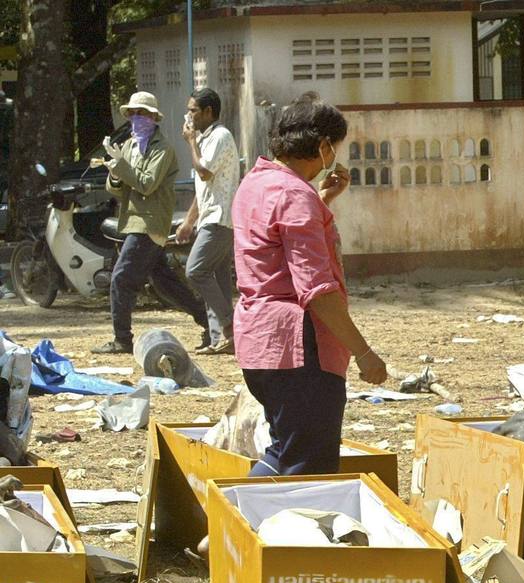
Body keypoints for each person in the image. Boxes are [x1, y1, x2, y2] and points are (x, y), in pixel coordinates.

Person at [231, 98, 387, 477]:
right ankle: (225, 530)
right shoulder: (295, 195)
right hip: (299, 348)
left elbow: (278, 242)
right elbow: (317, 290)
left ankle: (220, 529)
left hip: (261, 345)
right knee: (306, 468)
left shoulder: (256, 182)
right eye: (335, 147)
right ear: (322, 147)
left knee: (286, 453)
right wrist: (364, 352)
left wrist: (323, 200)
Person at [95, 91, 210, 354]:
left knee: (121, 279)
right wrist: (115, 172)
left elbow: (146, 183)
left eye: (142, 113)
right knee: (165, 282)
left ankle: (122, 339)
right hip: (134, 221)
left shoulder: (163, 149)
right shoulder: (129, 146)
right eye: (133, 113)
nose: (136, 118)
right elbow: (117, 189)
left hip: (149, 224)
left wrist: (121, 168)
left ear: (154, 118)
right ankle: (209, 322)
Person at [177, 87, 241, 355]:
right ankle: (222, 340)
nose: (189, 116)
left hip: (219, 219)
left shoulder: (219, 137)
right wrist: (189, 222)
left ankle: (231, 327)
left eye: (193, 111)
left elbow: (203, 173)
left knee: (196, 270)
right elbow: (203, 191)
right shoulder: (207, 139)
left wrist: (190, 142)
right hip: (210, 217)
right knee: (218, 277)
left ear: (208, 112)